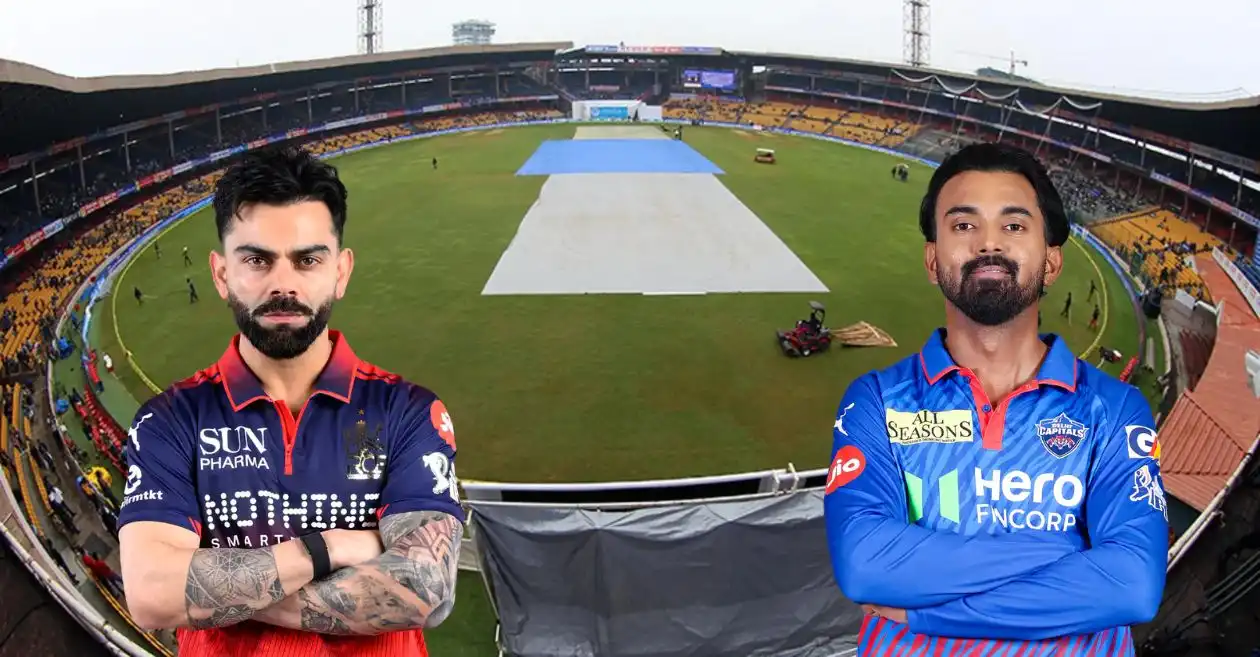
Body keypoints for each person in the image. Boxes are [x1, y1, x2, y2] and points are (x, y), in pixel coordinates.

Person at [116, 147, 465, 657]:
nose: (283, 284)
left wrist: (214, 589)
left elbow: (425, 589)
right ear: (221, 274)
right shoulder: (169, 421)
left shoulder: (407, 411)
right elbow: (151, 595)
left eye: (308, 260)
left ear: (341, 272)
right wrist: (333, 547)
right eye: (257, 260)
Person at [824, 142, 1166, 655]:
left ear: (1051, 262)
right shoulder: (876, 401)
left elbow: (1132, 583)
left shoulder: (1116, 411)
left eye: (1014, 225)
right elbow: (865, 565)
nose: (988, 243)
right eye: (964, 225)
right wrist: (1072, 551)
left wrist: (928, 612)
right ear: (932, 259)